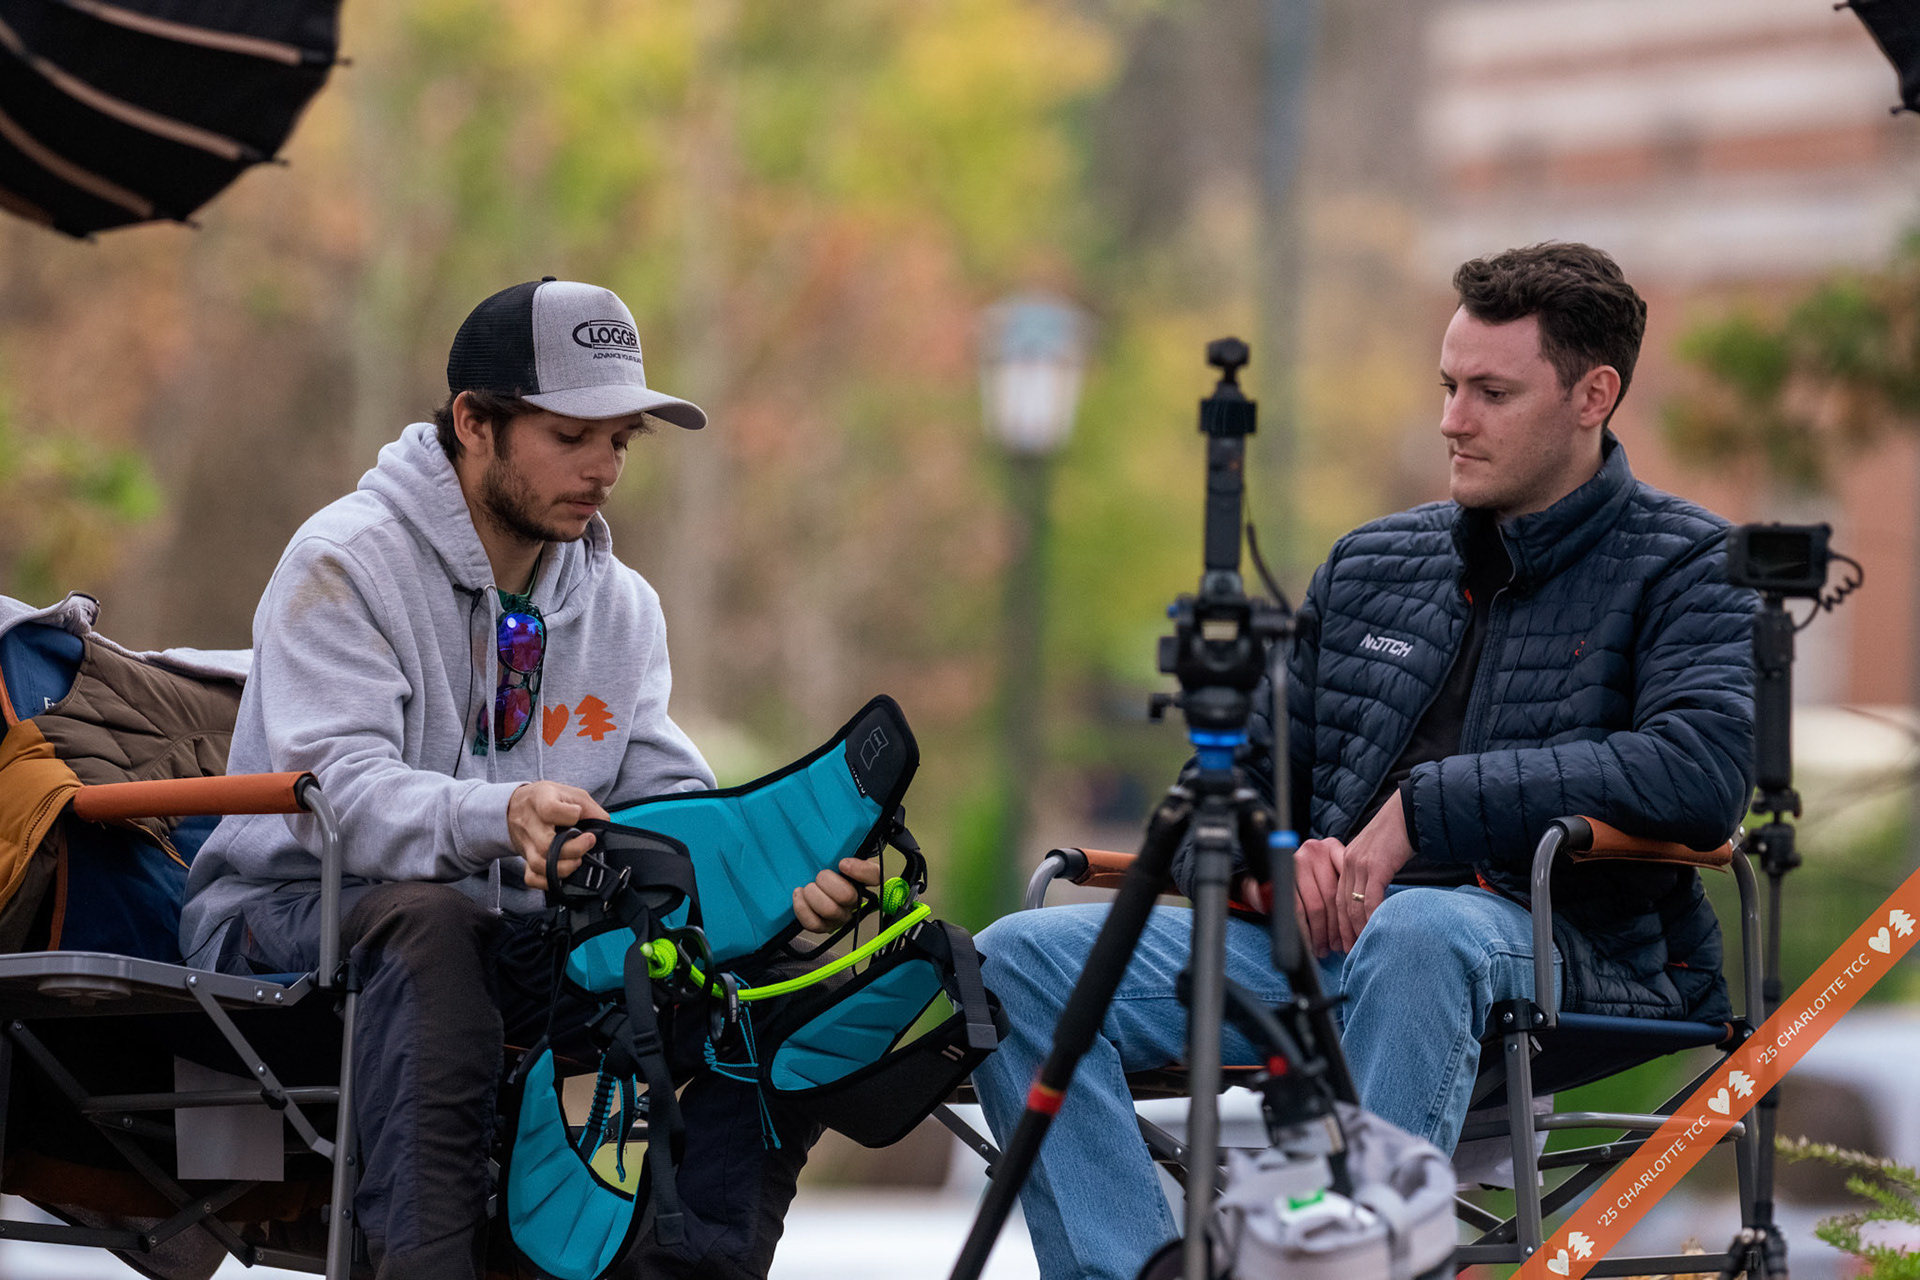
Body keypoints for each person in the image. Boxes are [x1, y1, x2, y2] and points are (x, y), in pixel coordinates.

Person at [970, 242, 1757, 1280]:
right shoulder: (1372, 560)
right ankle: (1127, 1271)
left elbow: (1699, 773)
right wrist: (1271, 849)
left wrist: (1424, 814)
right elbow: (1247, 770)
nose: (1452, 418)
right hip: (1318, 949)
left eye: (1490, 391)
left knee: (1424, 929)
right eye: (1448, 385)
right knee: (1011, 960)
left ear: (1592, 394)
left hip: (1567, 949)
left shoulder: (1690, 561)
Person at [178, 278, 876, 1280]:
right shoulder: (344, 561)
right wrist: (498, 815)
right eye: (572, 434)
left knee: (765, 979)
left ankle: (692, 1265)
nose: (604, 468)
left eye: (622, 440)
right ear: (475, 422)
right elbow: (341, 792)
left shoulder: (623, 608)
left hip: (499, 937)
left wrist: (784, 895)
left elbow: (670, 807)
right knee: (430, 919)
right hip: (284, 913)